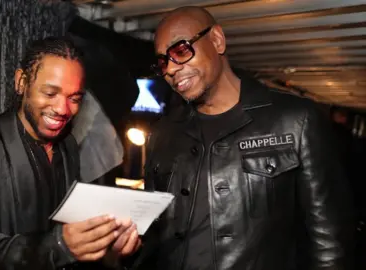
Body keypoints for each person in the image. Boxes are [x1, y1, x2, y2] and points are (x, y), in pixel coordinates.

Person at [134, 6, 355, 270]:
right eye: (162, 62)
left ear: (217, 40)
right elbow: (153, 238)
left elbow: (330, 243)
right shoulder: (162, 135)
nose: (170, 68)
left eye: (181, 50)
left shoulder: (296, 120)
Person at [0, 37, 140, 270]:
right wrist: (58, 246)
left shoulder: (68, 144)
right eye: (50, 93)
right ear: (21, 82)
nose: (62, 109)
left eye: (74, 98)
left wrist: (108, 244)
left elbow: (71, 229)